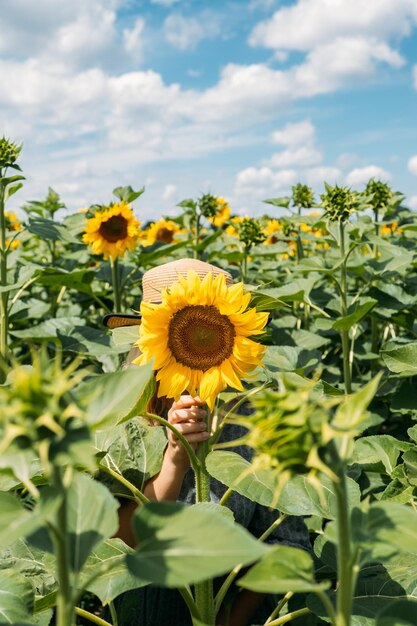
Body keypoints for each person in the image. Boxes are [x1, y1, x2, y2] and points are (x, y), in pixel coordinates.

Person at [103, 258, 311, 626]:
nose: (198, 345)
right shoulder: (122, 415)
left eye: (210, 334)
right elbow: (115, 545)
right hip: (138, 609)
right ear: (151, 338)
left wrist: (229, 621)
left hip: (232, 607)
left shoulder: (253, 422)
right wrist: (174, 461)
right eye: (177, 333)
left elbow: (286, 546)